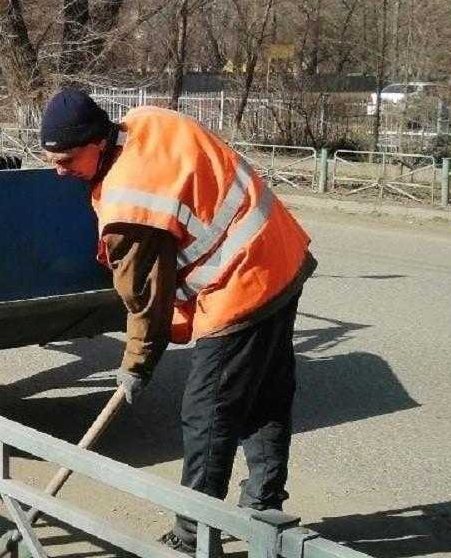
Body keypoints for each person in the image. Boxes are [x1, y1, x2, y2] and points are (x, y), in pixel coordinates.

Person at [39, 90, 316, 555]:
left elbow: (146, 300)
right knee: (265, 393)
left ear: (97, 142)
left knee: (208, 411)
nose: (59, 170)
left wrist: (137, 366)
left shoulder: (129, 203)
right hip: (281, 254)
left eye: (67, 159)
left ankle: (192, 537)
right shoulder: (146, 121)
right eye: (53, 159)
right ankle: (263, 513)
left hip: (243, 282)